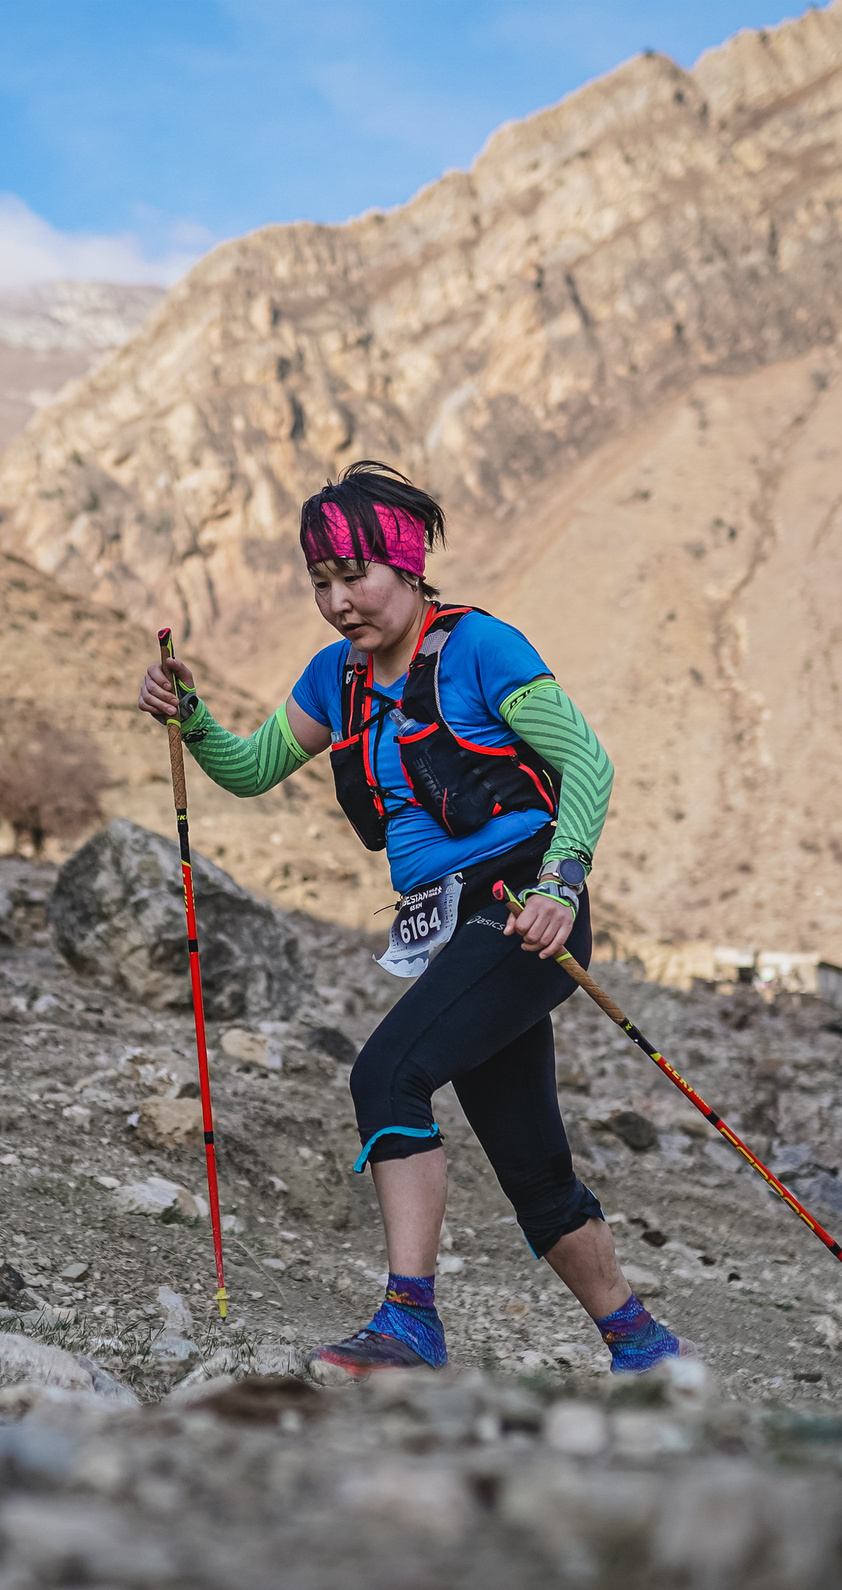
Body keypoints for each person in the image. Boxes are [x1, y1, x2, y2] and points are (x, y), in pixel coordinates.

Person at [135, 461, 680, 1377]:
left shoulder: (480, 649)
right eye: (321, 583)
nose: (340, 600)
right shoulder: (333, 677)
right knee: (533, 1168)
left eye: (356, 576)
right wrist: (189, 717)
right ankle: (646, 1346)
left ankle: (409, 1322)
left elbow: (588, 764)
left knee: (388, 1074)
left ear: (407, 563)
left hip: (520, 910)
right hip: (453, 927)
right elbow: (249, 767)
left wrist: (561, 884)